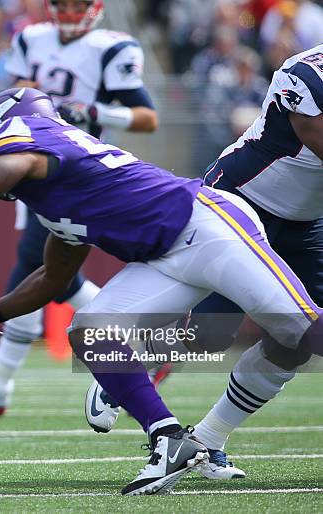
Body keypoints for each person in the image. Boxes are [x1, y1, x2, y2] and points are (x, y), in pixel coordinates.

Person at [0, 87, 322, 494]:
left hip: (207, 227)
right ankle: (168, 438)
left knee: (304, 330)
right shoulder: (57, 193)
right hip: (168, 256)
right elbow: (52, 278)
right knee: (90, 329)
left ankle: (204, 431)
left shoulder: (26, 136)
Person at [91, 43, 323, 479]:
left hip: (305, 221)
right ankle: (123, 368)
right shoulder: (309, 74)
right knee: (210, 332)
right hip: (239, 201)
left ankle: (209, 439)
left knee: (299, 340)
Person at [0, 0, 160, 420]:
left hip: (79, 171)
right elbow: (16, 98)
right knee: (43, 274)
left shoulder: (113, 47)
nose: (71, 12)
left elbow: (148, 118)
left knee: (44, 274)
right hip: (37, 163)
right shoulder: (31, 38)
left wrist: (95, 111)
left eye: (79, 4)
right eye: (63, 4)